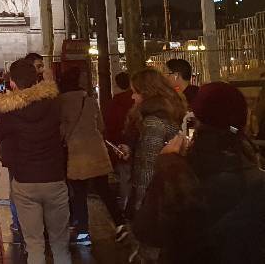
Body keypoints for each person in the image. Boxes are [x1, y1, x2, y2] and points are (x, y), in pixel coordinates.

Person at [133, 81, 265, 262]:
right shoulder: (255, 174)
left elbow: (147, 231)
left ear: (196, 120)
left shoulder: (180, 171)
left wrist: (166, 167)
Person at [0, 59, 71, 264]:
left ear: (13, 83)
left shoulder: (10, 110)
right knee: (60, 245)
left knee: (34, 245)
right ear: (36, 79)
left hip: (25, 181)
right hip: (54, 179)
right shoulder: (54, 102)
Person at [120, 69, 186, 263]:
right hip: (170, 197)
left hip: (155, 204)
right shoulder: (170, 113)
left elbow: (147, 172)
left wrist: (140, 214)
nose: (132, 96)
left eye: (135, 92)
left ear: (147, 93)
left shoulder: (153, 123)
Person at [59, 68, 126, 245]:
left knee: (78, 193)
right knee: (104, 190)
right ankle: (120, 224)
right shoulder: (89, 100)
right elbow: (101, 126)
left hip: (76, 154)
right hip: (96, 151)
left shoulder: (60, 104)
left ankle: (83, 233)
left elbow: (61, 131)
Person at [105, 71, 135, 211]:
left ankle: (125, 205)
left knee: (125, 176)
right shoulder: (135, 101)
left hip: (119, 143)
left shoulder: (114, 103)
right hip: (134, 141)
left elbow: (110, 125)